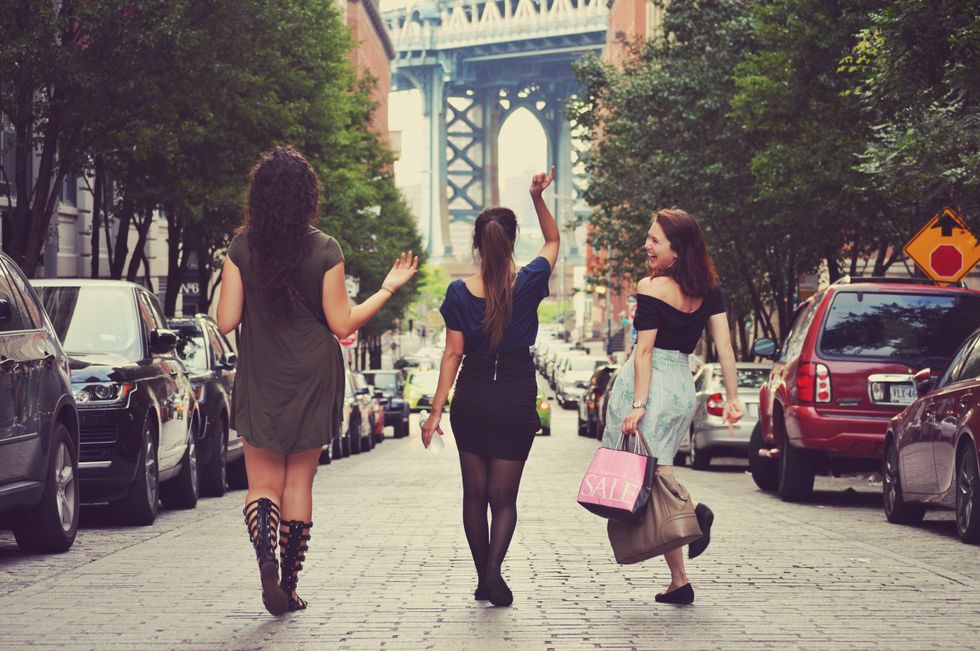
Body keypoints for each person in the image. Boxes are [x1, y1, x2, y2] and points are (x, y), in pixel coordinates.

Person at [216, 146, 418, 615]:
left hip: (262, 370)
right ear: (308, 196)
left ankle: (264, 554)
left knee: (263, 481)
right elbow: (343, 324)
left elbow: (225, 320)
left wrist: (236, 280)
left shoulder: (242, 248)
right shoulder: (326, 249)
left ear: (259, 196)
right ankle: (286, 585)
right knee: (299, 481)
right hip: (312, 370)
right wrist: (387, 288)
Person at [421, 168, 559, 607]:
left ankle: (485, 577)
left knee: (474, 495)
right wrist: (537, 196)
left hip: (474, 398)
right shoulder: (532, 280)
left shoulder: (459, 293)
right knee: (504, 499)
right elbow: (554, 242)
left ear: (477, 244)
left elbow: (451, 356)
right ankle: (494, 572)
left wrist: (435, 412)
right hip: (516, 395)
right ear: (513, 241)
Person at [603, 208, 743, 606]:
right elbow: (725, 348)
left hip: (651, 386)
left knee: (654, 477)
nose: (645, 245)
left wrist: (638, 404)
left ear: (677, 251)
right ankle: (679, 581)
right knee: (657, 472)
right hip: (681, 383)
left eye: (654, 241)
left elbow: (644, 351)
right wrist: (732, 398)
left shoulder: (651, 288)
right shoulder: (709, 289)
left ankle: (696, 512)